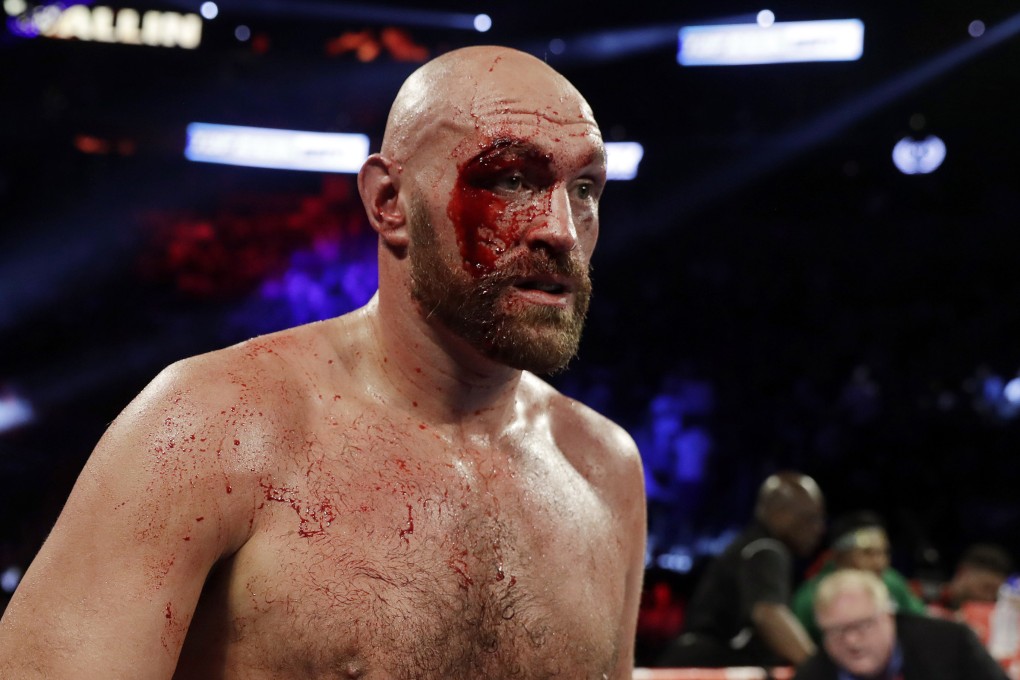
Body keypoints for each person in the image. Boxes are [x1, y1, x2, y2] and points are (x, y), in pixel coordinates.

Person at [0, 45, 647, 679]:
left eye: (585, 188)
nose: (563, 229)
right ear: (389, 202)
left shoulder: (603, 469)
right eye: (512, 179)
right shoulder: (211, 430)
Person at [657, 471, 826, 668]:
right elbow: (768, 615)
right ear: (779, 513)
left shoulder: (748, 546)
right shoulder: (765, 549)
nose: (819, 528)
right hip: (708, 667)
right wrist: (818, 671)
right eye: (810, 518)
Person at [794, 568, 1009, 680]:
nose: (851, 640)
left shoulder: (952, 644)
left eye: (862, 625)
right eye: (835, 631)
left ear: (888, 616)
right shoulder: (811, 675)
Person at [792, 511, 927, 643]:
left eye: (883, 553)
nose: (879, 563)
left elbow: (923, 623)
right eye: (867, 553)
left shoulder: (891, 581)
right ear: (840, 557)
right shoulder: (812, 596)